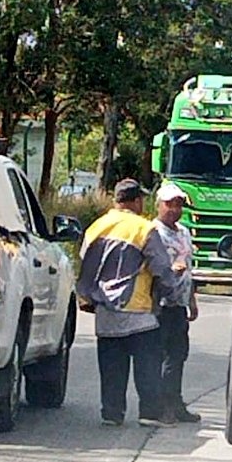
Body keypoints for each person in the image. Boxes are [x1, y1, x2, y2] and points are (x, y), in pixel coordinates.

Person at [77, 178, 180, 428]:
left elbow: (85, 262)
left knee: (111, 365)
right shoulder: (143, 228)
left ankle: (112, 413)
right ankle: (149, 413)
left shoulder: (95, 227)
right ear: (135, 201)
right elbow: (160, 267)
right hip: (138, 308)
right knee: (148, 364)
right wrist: (171, 291)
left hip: (105, 308)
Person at [153, 183, 200, 423]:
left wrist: (191, 300)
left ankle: (176, 402)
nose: (174, 209)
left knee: (178, 354)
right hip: (159, 303)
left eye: (178, 204)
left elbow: (188, 267)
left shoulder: (183, 232)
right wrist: (170, 271)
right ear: (158, 205)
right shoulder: (153, 232)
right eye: (169, 204)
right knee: (161, 357)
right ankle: (160, 406)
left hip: (179, 303)